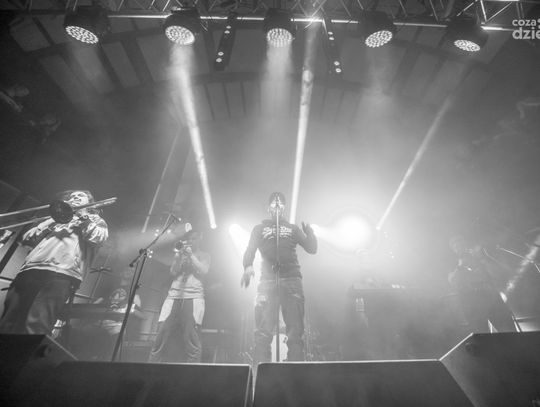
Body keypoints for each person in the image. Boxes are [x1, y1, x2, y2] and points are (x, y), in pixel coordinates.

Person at [0, 190, 108, 335]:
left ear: (90, 204)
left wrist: (82, 216)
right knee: (8, 322)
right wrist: (52, 221)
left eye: (80, 196)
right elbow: (26, 239)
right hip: (29, 270)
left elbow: (98, 238)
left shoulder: (96, 220)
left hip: (61, 274)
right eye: (72, 196)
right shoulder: (53, 219)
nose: (75, 197)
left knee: (36, 324)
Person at [241, 192, 317, 364]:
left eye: (281, 203)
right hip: (267, 281)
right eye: (274, 203)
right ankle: (261, 373)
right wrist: (248, 266)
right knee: (263, 331)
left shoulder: (293, 228)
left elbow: (312, 249)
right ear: (268, 208)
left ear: (284, 208)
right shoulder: (259, 228)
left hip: (291, 280)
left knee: (295, 331)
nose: (277, 205)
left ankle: (295, 371)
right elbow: (250, 249)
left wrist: (310, 234)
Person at [149, 230, 210, 363]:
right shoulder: (181, 254)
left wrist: (191, 255)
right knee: (162, 332)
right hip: (173, 296)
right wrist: (177, 258)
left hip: (194, 296)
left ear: (200, 239)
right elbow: (173, 272)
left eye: (194, 238)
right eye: (189, 239)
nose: (191, 241)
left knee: (191, 336)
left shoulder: (205, 255)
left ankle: (192, 370)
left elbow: (204, 270)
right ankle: (152, 366)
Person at [448, 235, 517, 334]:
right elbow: (453, 282)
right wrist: (460, 267)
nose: (460, 247)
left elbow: (497, 273)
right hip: (473, 304)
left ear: (466, 244)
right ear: (453, 250)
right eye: (456, 246)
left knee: (509, 331)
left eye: (461, 243)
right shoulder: (453, 265)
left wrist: (482, 259)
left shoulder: (479, 257)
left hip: (492, 298)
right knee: (482, 336)